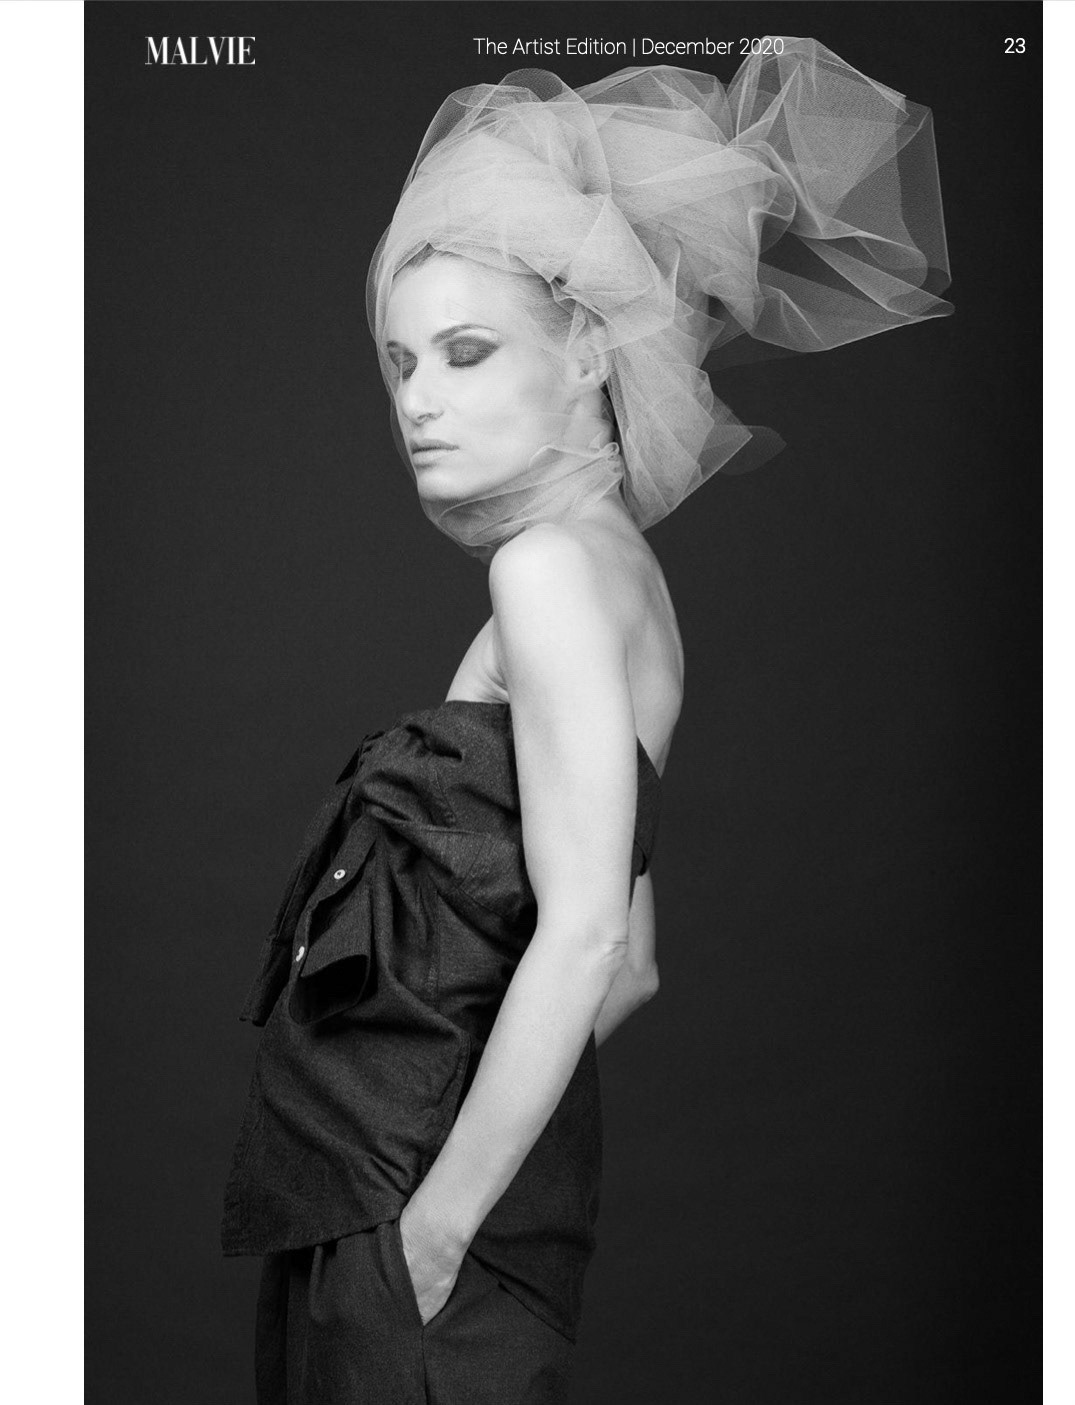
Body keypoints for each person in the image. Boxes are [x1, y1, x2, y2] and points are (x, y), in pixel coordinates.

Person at [221, 39, 951, 1403]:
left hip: (416, 1214)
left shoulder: (546, 570)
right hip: (451, 1204)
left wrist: (432, 1228)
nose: (417, 398)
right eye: (401, 361)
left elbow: (594, 939)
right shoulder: (622, 578)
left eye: (467, 351)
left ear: (587, 354)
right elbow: (633, 958)